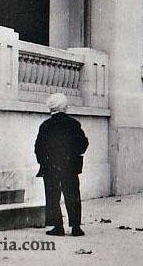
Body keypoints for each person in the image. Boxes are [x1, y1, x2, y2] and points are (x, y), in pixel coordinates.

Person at [34, 93, 89, 237]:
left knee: (52, 196)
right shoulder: (73, 124)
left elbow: (38, 148)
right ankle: (76, 227)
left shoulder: (45, 125)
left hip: (51, 166)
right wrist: (74, 155)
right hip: (69, 166)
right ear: (64, 107)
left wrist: (44, 161)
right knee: (72, 194)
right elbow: (83, 143)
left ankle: (58, 227)